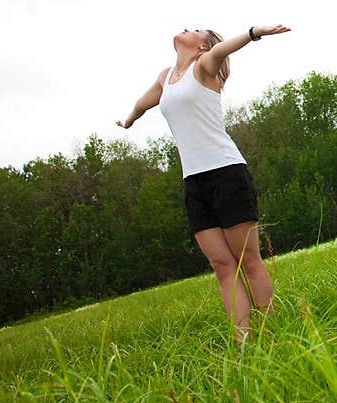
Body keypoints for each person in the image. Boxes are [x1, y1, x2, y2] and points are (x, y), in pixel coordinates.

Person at [117, 24, 292, 343]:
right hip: (194, 183)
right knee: (222, 265)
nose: (187, 27)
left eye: (197, 29)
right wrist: (129, 119)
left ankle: (271, 333)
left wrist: (254, 33)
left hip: (226, 173)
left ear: (202, 47)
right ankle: (242, 342)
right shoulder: (165, 77)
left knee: (247, 260)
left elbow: (223, 50)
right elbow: (145, 103)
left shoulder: (205, 65)